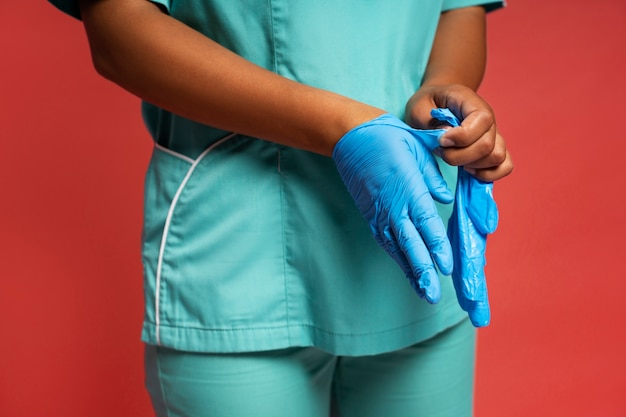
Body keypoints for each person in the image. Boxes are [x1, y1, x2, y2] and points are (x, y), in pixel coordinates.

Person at [49, 0, 513, 416]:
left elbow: (459, 6)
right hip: (243, 259)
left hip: (414, 248)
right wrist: (341, 126)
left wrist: (442, 92)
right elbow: (118, 29)